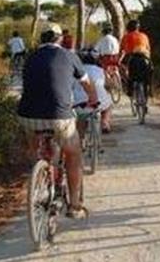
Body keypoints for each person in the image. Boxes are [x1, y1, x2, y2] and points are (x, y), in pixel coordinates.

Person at [17, 24, 98, 219]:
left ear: (42, 39)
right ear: (59, 39)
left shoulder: (30, 57)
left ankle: (41, 176)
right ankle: (75, 206)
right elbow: (87, 83)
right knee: (73, 154)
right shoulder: (69, 56)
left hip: (27, 116)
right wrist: (93, 100)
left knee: (36, 149)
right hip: (60, 117)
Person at [73, 48, 114, 133]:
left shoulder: (75, 71)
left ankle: (81, 137)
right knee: (109, 105)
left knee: (80, 118)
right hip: (98, 102)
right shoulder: (101, 70)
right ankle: (104, 123)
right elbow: (109, 85)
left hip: (79, 103)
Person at [119, 19, 152, 99]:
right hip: (145, 57)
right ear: (138, 28)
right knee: (149, 72)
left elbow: (122, 49)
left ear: (128, 28)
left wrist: (119, 58)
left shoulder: (126, 36)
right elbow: (148, 49)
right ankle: (149, 90)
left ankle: (129, 88)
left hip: (131, 57)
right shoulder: (144, 35)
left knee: (123, 68)